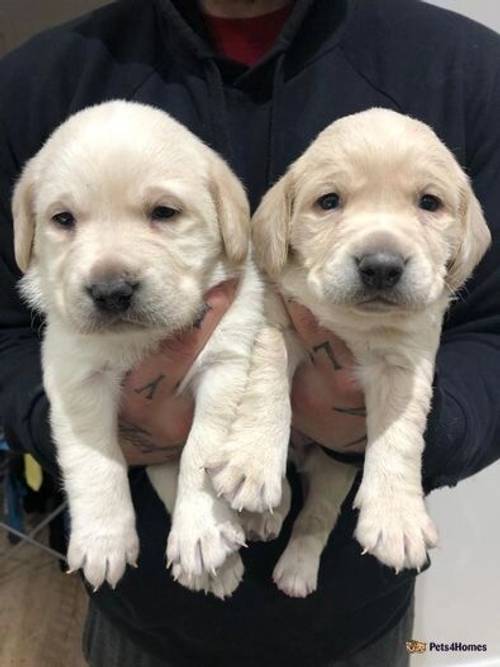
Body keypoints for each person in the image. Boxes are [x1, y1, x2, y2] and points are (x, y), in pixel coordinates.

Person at [0, 0, 499, 665]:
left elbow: (493, 328)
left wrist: (398, 431)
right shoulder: (34, 83)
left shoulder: (471, 69)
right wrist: (108, 434)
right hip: (141, 609)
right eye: (330, 200)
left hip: (356, 617)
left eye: (162, 211)